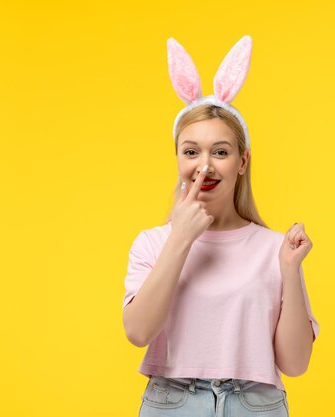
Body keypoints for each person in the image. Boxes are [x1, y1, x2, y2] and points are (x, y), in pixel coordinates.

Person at [121, 35, 320, 417]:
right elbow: (137, 332)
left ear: (242, 161)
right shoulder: (151, 243)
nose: (205, 165)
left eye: (221, 152)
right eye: (191, 151)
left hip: (256, 406)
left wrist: (290, 270)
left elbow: (295, 364)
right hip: (172, 403)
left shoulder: (276, 249)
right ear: (178, 158)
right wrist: (180, 238)